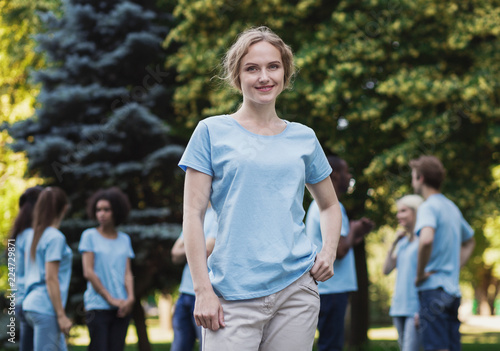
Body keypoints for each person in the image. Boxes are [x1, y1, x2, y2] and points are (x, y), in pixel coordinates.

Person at [178, 26, 342, 351]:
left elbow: (329, 206)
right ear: (236, 76)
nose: (263, 77)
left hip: (296, 290)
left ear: (285, 72)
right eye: (252, 68)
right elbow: (192, 215)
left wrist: (328, 252)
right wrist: (202, 290)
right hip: (231, 295)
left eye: (273, 66)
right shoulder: (210, 132)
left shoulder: (304, 138)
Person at [306, 155, 373, 351]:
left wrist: (356, 234)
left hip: (328, 289)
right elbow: (340, 249)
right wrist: (354, 229)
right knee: (331, 346)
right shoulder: (331, 206)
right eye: (346, 171)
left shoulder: (318, 204)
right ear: (334, 175)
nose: (349, 175)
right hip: (332, 290)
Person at [410, 155, 475, 351]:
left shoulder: (428, 206)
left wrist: (420, 273)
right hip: (452, 292)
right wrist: (456, 265)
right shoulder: (452, 207)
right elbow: (470, 240)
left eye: (413, 176)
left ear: (420, 178)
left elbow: (426, 239)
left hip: (432, 289)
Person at [79, 187, 135, 351]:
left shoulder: (124, 239)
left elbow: (127, 272)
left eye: (106, 210)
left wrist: (130, 298)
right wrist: (110, 299)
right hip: (97, 307)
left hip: (121, 308)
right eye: (98, 210)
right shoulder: (89, 236)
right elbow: (88, 272)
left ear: (116, 211)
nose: (101, 214)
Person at [22, 186, 73, 351]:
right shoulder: (55, 237)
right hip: (44, 308)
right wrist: (61, 315)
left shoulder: (35, 235)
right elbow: (51, 278)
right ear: (64, 208)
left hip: (32, 305)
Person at [171, 205, 218, 351]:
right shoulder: (195, 216)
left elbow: (207, 251)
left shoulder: (218, 215)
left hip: (205, 295)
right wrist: (196, 246)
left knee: (207, 347)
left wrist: (189, 244)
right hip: (184, 294)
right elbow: (174, 254)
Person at [383, 194, 424, 351]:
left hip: (415, 308)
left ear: (415, 212)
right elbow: (386, 270)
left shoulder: (423, 242)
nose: (398, 215)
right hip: (398, 307)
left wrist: (422, 309)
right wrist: (393, 244)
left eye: (403, 211)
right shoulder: (402, 243)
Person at [7, 186, 43, 350]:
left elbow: (13, 274)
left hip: (20, 301)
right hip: (35, 303)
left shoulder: (17, 236)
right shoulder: (33, 237)